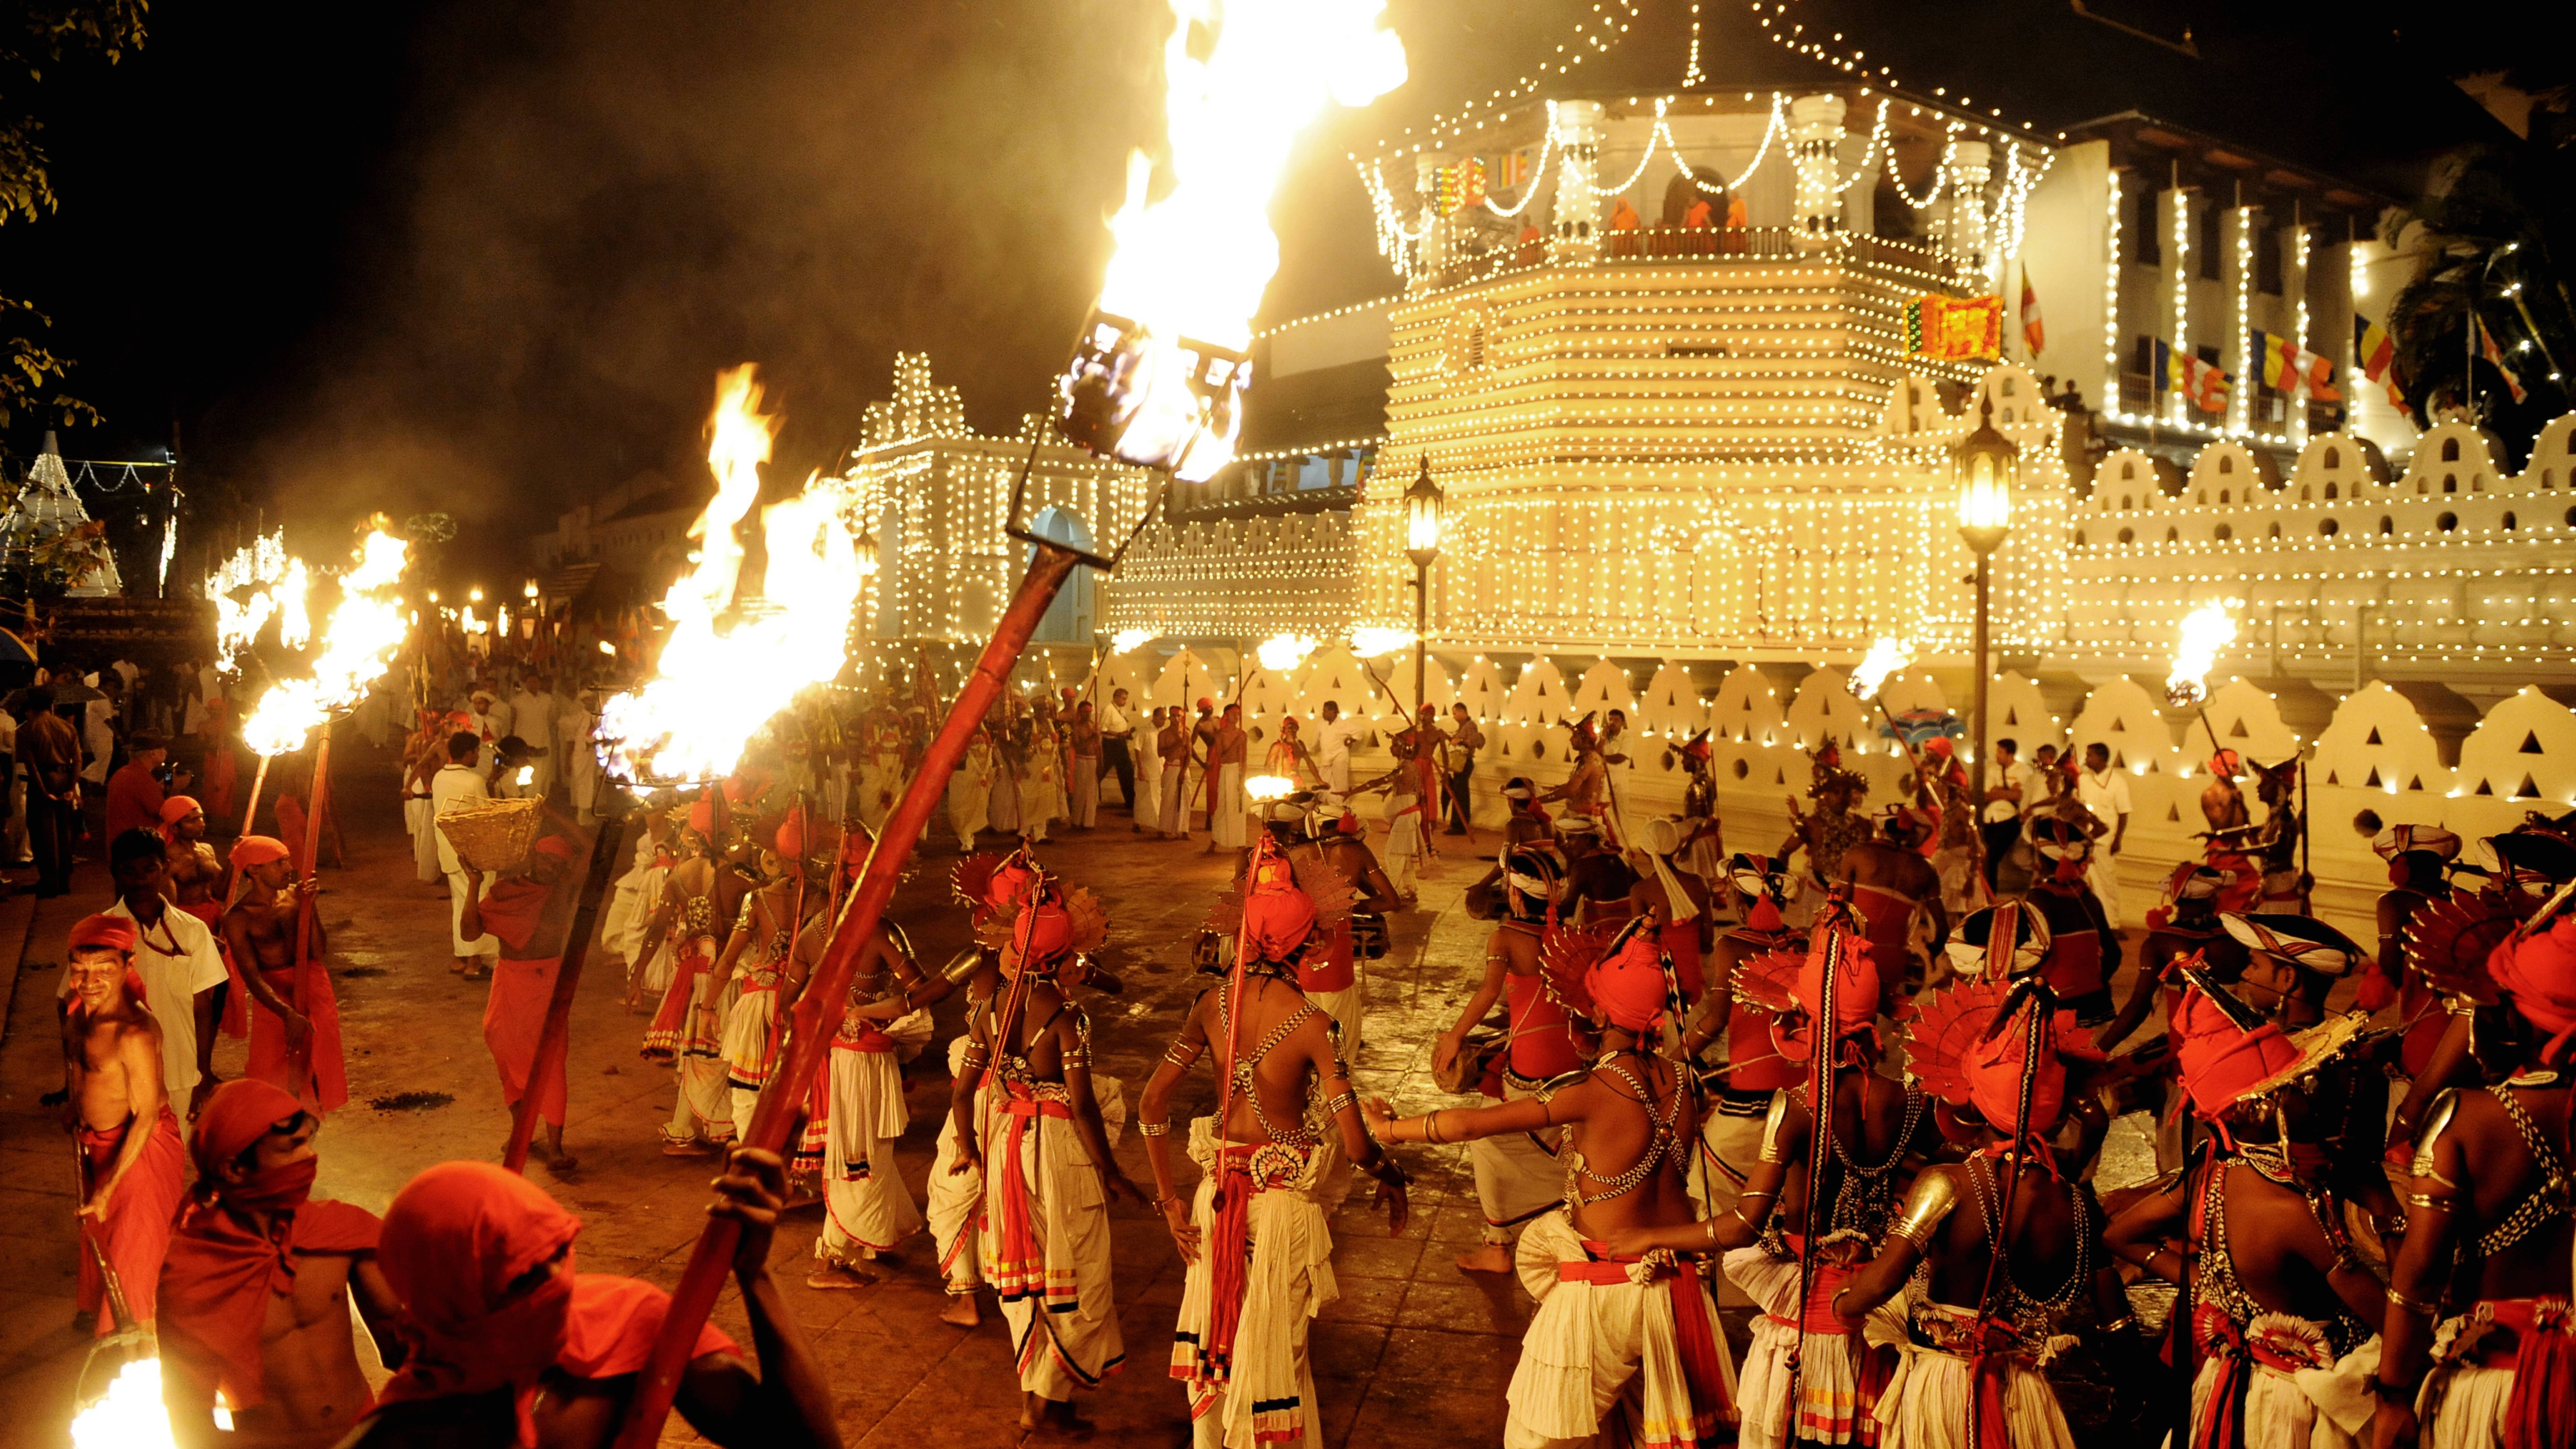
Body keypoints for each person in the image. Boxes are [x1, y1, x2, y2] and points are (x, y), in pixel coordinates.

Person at [1370, 923, 1741, 1448]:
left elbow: (1469, 1124)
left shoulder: (1595, 1091)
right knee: (1643, 1433)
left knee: (1534, 1435)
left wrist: (1389, 1128)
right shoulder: (1682, 1081)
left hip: (1608, 1289)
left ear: (1599, 1013)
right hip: (1677, 1289)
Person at [1141, 843, 1410, 1448]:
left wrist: (1170, 1203)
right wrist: (1391, 1176)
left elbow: (1150, 1106)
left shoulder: (1209, 1005)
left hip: (1214, 1202)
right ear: (1306, 943)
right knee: (1274, 1352)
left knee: (1217, 1333)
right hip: (1282, 1210)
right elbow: (1356, 1143)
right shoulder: (1315, 1024)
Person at [1620, 925, 1923, 1449]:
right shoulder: (1909, 1100)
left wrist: (1653, 1236)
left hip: (1808, 1303)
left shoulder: (1797, 1106)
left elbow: (1743, 1226)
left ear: (1805, 1022)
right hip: (1876, 1296)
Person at [337, 1155, 841, 1449]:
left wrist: (756, 1275)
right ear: (451, 1301)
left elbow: (802, 1447)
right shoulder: (405, 1436)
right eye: (525, 1278)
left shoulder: (624, 1321)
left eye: (560, 1251)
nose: (558, 1284)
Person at [1826, 979, 2128, 1449]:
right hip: (2027, 1394)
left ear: (1972, 1100)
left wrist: (1841, 1308)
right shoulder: (2075, 1200)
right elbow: (2115, 1321)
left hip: (1948, 1390)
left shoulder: (1950, 1182)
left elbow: (1883, 1282)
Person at [2103, 982, 2383, 1449]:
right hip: (2297, 1407)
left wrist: (2207, 1282)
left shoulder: (2212, 1177)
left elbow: (2121, 1234)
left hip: (2232, 1384)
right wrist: (2389, 1213)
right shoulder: (2293, 1210)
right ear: (2261, 1108)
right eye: (2296, 1087)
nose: (2309, 1098)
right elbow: (2393, 1320)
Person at [2368, 905, 2576, 1449]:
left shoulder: (2467, 1116)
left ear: (2521, 1018)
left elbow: (2417, 1280)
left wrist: (2392, 1396)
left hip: (2488, 1389)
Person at [952, 893, 1139, 1441]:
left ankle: (1039, 1397)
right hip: (1056, 1151)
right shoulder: (1066, 1016)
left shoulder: (987, 1008)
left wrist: (969, 1147)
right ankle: (1043, 1403)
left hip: (1006, 1144)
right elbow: (1082, 1107)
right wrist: (1108, 1168)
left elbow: (964, 1092)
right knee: (1074, 1270)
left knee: (1027, 1271)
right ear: (1062, 960)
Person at [158, 1080, 403, 1447]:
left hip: (363, 1437)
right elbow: (189, 1418)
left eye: (308, 1142)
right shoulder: (195, 1274)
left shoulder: (339, 1230)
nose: (310, 1157)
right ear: (234, 1169)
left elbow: (403, 1348)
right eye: (292, 1147)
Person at [1435, 844, 1579, 1273]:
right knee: (1565, 1147)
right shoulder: (1573, 936)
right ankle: (1569, 1222)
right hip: (1574, 1064)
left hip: (1530, 1071)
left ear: (1515, 895)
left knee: (1486, 1141)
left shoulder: (1506, 937)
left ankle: (1498, 1245)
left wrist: (1454, 1037)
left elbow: (1488, 992)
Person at [59, 914, 189, 1334]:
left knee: (138, 1255)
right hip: (98, 1143)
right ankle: (112, 1324)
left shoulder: (135, 1032)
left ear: (128, 966)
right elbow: (78, 1066)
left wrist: (109, 1188)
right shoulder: (75, 1015)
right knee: (106, 1241)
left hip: (143, 1148)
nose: (89, 980)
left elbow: (147, 1115)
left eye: (103, 970)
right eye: (80, 969)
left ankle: (142, 1350)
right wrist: (74, 1107)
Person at [800, 905, 930, 1291]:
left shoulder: (815, 927)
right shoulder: (881, 929)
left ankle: (870, 1235)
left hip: (839, 1054)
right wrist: (876, 1010)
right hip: (859, 1061)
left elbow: (795, 992)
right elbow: (921, 990)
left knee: (867, 1149)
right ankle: (833, 1259)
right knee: (864, 1154)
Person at [59, 829, 230, 1120]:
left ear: (165, 867)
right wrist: (76, 1085)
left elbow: (202, 1009)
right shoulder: (99, 934)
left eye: (150, 869)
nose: (141, 880)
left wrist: (201, 1075)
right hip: (114, 1078)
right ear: (115, 874)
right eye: (130, 871)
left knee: (171, 1162)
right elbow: (69, 1007)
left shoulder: (192, 931)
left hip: (179, 1072)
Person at [458, 832, 587, 1174]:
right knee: (501, 1043)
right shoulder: (505, 889)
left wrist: (553, 815)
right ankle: (522, 1129)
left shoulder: (562, 890)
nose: (551, 868)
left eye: (559, 864)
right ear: (532, 856)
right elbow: (470, 934)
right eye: (546, 859)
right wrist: (474, 884)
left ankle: (556, 1147)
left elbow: (587, 845)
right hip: (508, 976)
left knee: (550, 1055)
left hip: (547, 978)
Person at [637, 803, 745, 1155]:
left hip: (695, 974)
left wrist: (636, 975)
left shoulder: (679, 875)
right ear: (729, 838)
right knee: (720, 1055)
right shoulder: (739, 882)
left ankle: (692, 1128)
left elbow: (657, 929)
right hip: (724, 978)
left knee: (699, 1054)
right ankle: (702, 1127)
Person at [223, 835, 350, 1115]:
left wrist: (310, 905)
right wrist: (287, 1013)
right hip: (272, 991)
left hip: (313, 980)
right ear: (254, 870)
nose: (289, 868)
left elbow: (318, 950)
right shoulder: (239, 917)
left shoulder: (297, 895)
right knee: (270, 1070)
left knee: (319, 1056)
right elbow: (252, 976)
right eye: (279, 863)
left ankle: (310, 1119)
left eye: (287, 860)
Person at [1830, 806, 1948, 1007]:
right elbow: (1943, 930)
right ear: (1911, 832)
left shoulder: (1858, 854)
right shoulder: (1925, 868)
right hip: (1896, 959)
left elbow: (1836, 910)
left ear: (1881, 828)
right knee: (1887, 1021)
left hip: (1854, 955)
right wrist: (1932, 951)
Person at [431, 731, 500, 976]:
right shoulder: (473, 781)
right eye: (477, 752)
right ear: (469, 753)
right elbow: (486, 816)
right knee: (478, 904)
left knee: (460, 903)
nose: (478, 756)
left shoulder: (439, 777)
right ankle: (474, 962)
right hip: (473, 854)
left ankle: (460, 958)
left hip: (449, 852)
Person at [1781, 746, 1872, 921]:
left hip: (1851, 898)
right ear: (1826, 795)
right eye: (1835, 793)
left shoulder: (1863, 825)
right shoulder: (1813, 824)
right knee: (1817, 944)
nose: (1840, 797)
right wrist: (1784, 888)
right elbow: (1785, 851)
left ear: (1851, 796)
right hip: (1818, 897)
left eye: (1845, 793)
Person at [19, 690, 83, 897]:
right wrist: (71, 788)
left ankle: (50, 882)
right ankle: (64, 881)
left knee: (43, 834)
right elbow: (78, 760)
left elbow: (31, 765)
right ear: (52, 707)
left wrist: (44, 790)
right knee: (64, 833)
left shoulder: (26, 730)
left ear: (31, 709)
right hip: (65, 778)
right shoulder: (67, 727)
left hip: (44, 781)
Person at [2075, 741, 2132, 927]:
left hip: (2104, 841)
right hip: (2083, 839)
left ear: (2101, 758)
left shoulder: (2118, 783)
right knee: (2081, 882)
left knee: (2106, 885)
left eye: (2090, 755)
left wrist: (2118, 840)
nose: (2086, 759)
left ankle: (2112, 924)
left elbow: (2124, 814)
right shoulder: (2084, 780)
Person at [102, 727, 168, 842]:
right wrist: (177, 789)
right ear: (153, 754)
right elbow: (163, 812)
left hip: (121, 845)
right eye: (162, 749)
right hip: (138, 849)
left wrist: (157, 788)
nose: (165, 752)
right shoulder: (141, 777)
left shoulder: (123, 773)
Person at [1980, 737, 2027, 892]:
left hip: (2010, 818)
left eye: (2001, 752)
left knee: (1992, 856)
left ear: (2010, 754)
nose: (1997, 755)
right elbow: (1987, 794)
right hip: (1990, 817)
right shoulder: (1993, 770)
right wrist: (2008, 793)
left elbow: (2019, 796)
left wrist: (1998, 792)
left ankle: (1991, 892)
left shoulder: (2022, 771)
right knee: (1984, 854)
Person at [510, 673, 558, 801]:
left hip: (543, 741)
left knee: (543, 774)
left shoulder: (548, 699)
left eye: (536, 682)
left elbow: (552, 719)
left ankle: (542, 803)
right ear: (525, 684)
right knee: (525, 774)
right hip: (525, 743)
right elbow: (512, 722)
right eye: (531, 682)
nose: (534, 685)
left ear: (540, 684)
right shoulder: (516, 701)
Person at [948, 724, 994, 852]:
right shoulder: (960, 735)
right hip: (964, 782)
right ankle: (965, 841)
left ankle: (969, 840)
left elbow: (990, 752)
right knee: (964, 810)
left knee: (978, 808)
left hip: (979, 781)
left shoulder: (985, 734)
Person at [1444, 702, 1483, 835]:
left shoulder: (1470, 726)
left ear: (1462, 712)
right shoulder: (1463, 727)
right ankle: (1458, 823)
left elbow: (1473, 741)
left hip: (1465, 762)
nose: (1454, 717)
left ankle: (1460, 825)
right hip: (1460, 763)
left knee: (1461, 794)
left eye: (1455, 713)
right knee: (1459, 793)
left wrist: (1459, 741)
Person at [1312, 699, 1363, 797]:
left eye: (1326, 711)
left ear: (1333, 711)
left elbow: (1361, 731)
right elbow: (1315, 743)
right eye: (1323, 711)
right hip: (1326, 758)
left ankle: (1342, 807)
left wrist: (1351, 740)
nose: (1323, 713)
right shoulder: (1321, 724)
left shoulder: (1343, 724)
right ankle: (1324, 807)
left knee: (1341, 784)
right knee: (1323, 784)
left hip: (1339, 758)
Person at [1098, 687, 1137, 810]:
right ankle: (1088, 796)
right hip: (1111, 745)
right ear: (1116, 697)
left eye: (1126, 699)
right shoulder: (1109, 710)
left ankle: (1131, 803)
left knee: (1127, 773)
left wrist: (1126, 734)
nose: (1125, 702)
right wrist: (1118, 734)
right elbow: (1102, 729)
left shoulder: (1121, 710)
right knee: (1101, 772)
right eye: (1123, 699)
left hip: (1121, 744)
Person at [1157, 705, 1191, 840]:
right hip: (1171, 767)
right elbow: (1160, 753)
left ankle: (1183, 830)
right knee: (1168, 799)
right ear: (1169, 717)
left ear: (1182, 717)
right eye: (1173, 716)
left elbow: (1189, 755)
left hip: (1183, 768)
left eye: (1178, 716)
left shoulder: (1186, 734)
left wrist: (1183, 771)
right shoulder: (1163, 734)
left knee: (1185, 799)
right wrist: (1177, 745)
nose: (1176, 719)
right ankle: (1163, 828)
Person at [1066, 700, 1101, 830]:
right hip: (1082, 761)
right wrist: (1091, 739)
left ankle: (1089, 822)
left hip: (1093, 761)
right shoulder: (1076, 728)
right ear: (1080, 713)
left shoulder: (1095, 727)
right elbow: (1078, 747)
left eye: (1090, 712)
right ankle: (1076, 821)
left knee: (1092, 793)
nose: (1089, 715)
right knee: (1080, 791)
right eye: (1086, 712)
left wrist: (1100, 763)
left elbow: (1099, 747)